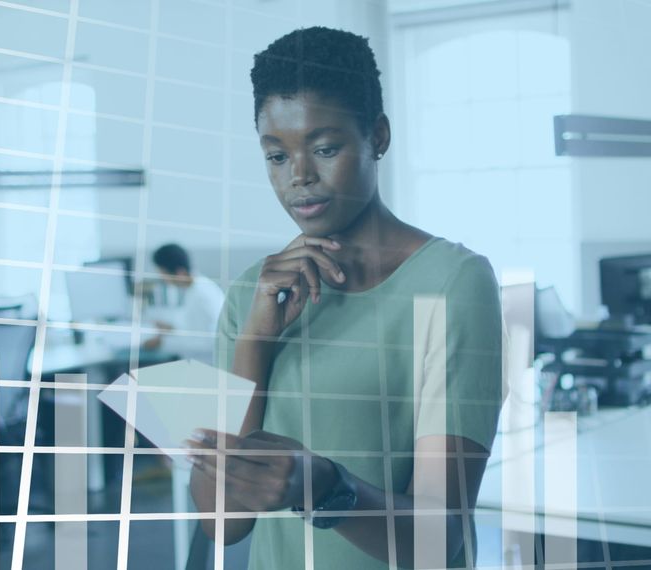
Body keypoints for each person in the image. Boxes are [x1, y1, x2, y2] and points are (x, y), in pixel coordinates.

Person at [186, 27, 503, 569]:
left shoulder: (453, 283)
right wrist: (256, 341)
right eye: (276, 157)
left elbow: (436, 542)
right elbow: (222, 523)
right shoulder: (251, 293)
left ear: (377, 136)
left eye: (325, 148)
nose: (300, 178)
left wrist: (329, 489)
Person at [142, 243, 225, 364]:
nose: (164, 279)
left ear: (180, 272)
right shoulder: (197, 287)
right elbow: (194, 326)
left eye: (164, 274)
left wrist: (163, 343)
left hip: (206, 367)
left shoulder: (202, 296)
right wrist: (172, 328)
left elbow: (210, 343)